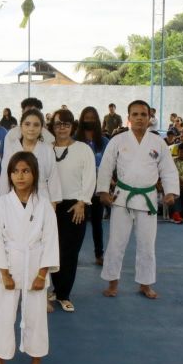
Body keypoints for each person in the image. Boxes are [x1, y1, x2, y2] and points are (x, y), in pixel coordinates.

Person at [0, 152, 58, 364]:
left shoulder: (44, 204)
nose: (20, 176)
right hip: (9, 264)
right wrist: (4, 273)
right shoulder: (3, 204)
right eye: (15, 171)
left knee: (36, 318)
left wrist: (42, 274)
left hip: (35, 264)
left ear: (34, 174)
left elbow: (50, 239)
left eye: (25, 170)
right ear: (10, 175)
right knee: (3, 317)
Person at [97, 100, 179, 300]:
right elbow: (106, 166)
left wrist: (170, 192)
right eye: (135, 114)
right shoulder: (118, 140)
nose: (140, 118)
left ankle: (145, 283)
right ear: (129, 118)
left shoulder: (158, 142)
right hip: (122, 197)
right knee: (116, 242)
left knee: (147, 244)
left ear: (149, 118)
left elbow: (167, 169)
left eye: (143, 114)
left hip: (147, 198)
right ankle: (112, 282)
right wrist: (103, 191)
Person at [48, 109, 95, 313]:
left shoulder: (83, 149)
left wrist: (82, 202)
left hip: (75, 205)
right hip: (50, 205)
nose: (62, 128)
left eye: (66, 124)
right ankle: (55, 289)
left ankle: (64, 294)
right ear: (53, 127)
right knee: (51, 251)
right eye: (58, 124)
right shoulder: (45, 149)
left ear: (72, 127)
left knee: (70, 251)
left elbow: (90, 176)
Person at [0, 108, 62, 205]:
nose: (31, 129)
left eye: (36, 125)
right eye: (27, 124)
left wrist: (53, 205)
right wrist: (1, 203)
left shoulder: (47, 150)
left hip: (41, 200)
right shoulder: (12, 149)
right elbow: (5, 178)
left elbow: (53, 178)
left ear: (41, 128)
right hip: (14, 200)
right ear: (21, 127)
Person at [74, 107, 111, 265]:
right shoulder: (75, 140)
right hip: (79, 191)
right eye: (86, 117)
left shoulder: (104, 141)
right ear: (82, 120)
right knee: (77, 225)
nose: (89, 120)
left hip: (97, 191)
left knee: (97, 223)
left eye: (92, 118)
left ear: (97, 120)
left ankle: (99, 254)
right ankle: (73, 254)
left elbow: (109, 165)